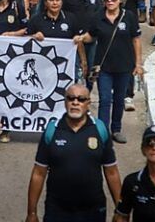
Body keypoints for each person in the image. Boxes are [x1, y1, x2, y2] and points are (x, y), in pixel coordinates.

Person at [26, 83, 122, 222]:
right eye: (71, 98)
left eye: (81, 99)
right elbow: (38, 173)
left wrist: (121, 211)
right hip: (57, 211)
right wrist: (32, 213)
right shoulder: (52, 130)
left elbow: (111, 172)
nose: (75, 102)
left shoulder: (100, 129)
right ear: (65, 102)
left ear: (88, 103)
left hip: (93, 211)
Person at [81, 0, 142, 144]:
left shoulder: (128, 16)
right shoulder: (98, 16)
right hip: (104, 66)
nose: (110, 1)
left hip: (124, 66)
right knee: (105, 99)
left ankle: (116, 129)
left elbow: (136, 40)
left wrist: (138, 63)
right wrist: (79, 39)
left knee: (119, 99)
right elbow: (91, 36)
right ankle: (103, 131)